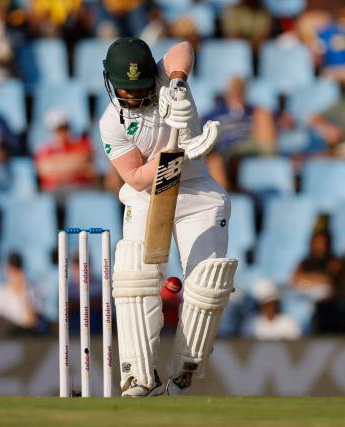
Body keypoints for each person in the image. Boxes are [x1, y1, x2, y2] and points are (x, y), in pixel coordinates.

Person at [99, 37, 237, 396]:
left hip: (198, 193)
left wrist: (177, 81)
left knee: (207, 283)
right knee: (135, 275)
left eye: (140, 88)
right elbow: (134, 177)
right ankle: (139, 376)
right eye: (125, 90)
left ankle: (184, 377)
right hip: (148, 194)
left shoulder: (165, 81)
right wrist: (176, 152)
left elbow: (182, 46)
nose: (133, 97)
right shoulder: (111, 122)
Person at [202, 76, 277, 190]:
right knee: (214, 160)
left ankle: (270, 162)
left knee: (263, 116)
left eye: (240, 91)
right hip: (227, 151)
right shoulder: (214, 113)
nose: (237, 94)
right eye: (234, 91)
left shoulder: (253, 111)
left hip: (251, 146)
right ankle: (224, 196)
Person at [34, 108, 96, 199]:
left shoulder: (82, 144)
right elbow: (44, 170)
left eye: (65, 127)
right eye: (58, 129)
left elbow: (85, 162)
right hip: (54, 192)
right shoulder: (46, 148)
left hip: (80, 189)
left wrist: (57, 164)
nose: (63, 132)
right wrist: (73, 165)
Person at [0, 252, 42, 337]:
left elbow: (32, 322)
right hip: (5, 340)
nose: (14, 274)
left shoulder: (33, 291)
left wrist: (23, 292)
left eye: (17, 270)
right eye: (12, 270)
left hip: (26, 337)